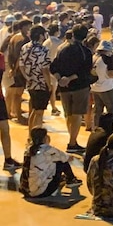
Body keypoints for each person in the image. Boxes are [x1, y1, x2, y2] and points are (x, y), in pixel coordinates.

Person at [50, 24, 92, 153]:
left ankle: (71, 139)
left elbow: (53, 67)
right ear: (86, 36)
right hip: (80, 86)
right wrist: (69, 78)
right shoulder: (85, 52)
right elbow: (85, 72)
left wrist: (60, 79)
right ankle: (72, 143)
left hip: (64, 88)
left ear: (72, 34)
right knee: (77, 115)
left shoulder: (62, 49)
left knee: (68, 114)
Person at [20, 127, 82, 198]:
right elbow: (67, 158)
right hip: (40, 192)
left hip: (25, 190)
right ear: (44, 138)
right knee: (61, 162)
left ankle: (60, 179)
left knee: (46, 164)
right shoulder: (48, 150)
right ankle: (71, 179)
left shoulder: (28, 150)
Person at [18, 24, 53, 130]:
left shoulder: (25, 47)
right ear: (40, 35)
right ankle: (36, 136)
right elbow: (45, 69)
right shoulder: (43, 50)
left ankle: (30, 133)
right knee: (39, 111)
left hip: (31, 83)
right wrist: (49, 84)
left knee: (34, 109)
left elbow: (21, 65)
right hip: (41, 83)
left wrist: (27, 77)